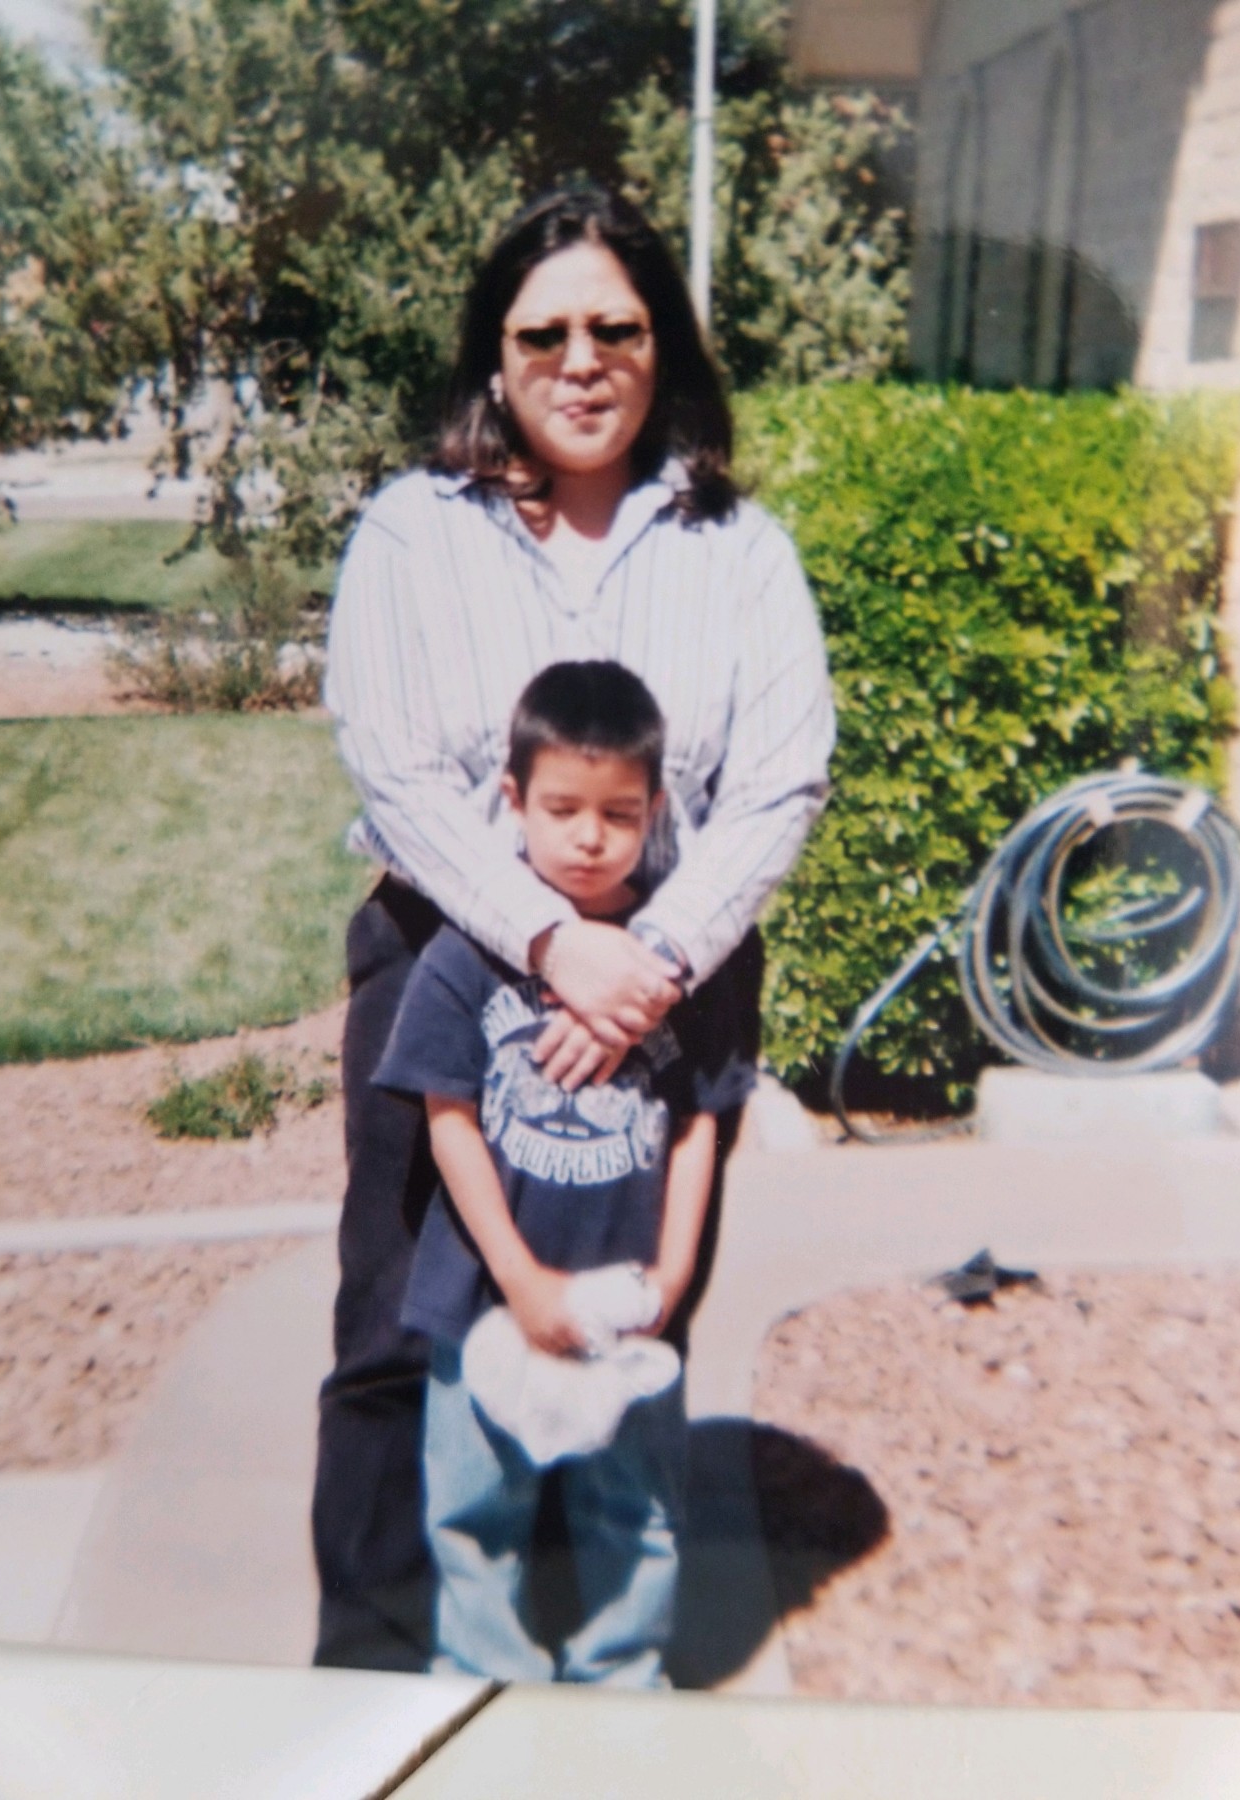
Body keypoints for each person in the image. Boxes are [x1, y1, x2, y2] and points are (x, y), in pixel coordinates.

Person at [315, 184, 835, 1672]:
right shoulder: (415, 533)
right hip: (446, 965)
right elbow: (394, 767)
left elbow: (781, 777)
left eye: (617, 326)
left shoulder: (739, 549)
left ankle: (585, 1665)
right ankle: (377, 1685)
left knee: (621, 1319)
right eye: (542, 333)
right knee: (403, 1328)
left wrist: (652, 960)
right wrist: (554, 945)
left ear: (665, 346)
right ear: (494, 354)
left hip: (674, 986)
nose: (581, 360)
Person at [372, 661, 754, 1684]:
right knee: (472, 1512)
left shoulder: (678, 968)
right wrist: (518, 1277)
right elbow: (448, 1121)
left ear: (654, 810)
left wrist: (672, 1276)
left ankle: (622, 1685)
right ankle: (486, 1691)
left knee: (635, 1512)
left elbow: (699, 1123)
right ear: (514, 800)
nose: (589, 837)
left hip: (624, 1301)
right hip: (483, 1297)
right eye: (562, 809)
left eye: (618, 814)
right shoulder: (467, 955)